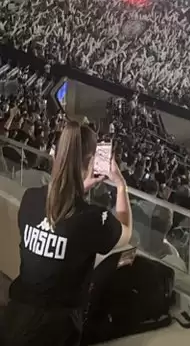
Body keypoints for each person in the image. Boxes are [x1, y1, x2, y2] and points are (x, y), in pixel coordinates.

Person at [2, 119, 131, 345]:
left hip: (15, 320)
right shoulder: (92, 219)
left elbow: (60, 214)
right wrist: (121, 186)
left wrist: (81, 187)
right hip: (57, 331)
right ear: (92, 161)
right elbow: (126, 232)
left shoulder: (30, 198)